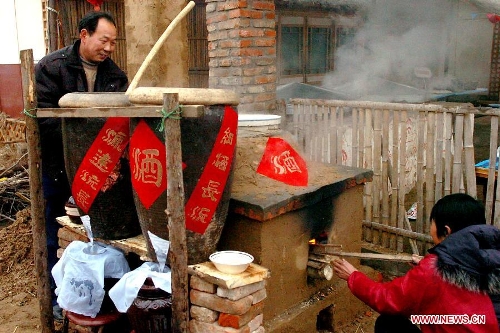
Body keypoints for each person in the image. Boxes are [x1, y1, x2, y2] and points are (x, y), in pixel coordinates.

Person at [35, 11, 128, 320]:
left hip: (102, 173)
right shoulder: (51, 68)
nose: (109, 48)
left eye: (114, 42)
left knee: (100, 232)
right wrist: (84, 143)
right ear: (84, 35)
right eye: (104, 40)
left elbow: (119, 124)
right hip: (60, 167)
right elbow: (46, 122)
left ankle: (95, 292)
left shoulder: (116, 76)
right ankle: (56, 298)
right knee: (55, 229)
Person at [333, 193, 500, 333]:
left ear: (446, 231)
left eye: (432, 224)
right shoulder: (493, 255)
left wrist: (353, 276)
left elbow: (387, 299)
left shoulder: (434, 270)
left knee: (389, 324)